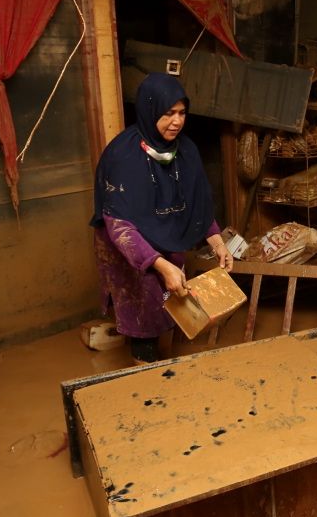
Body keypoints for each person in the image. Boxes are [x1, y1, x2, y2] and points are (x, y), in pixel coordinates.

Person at [91, 73, 232, 362]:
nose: (177, 121)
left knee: (169, 304)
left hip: (167, 235)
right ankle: (145, 374)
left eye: (181, 113)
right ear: (150, 110)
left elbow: (196, 204)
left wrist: (217, 242)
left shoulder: (186, 151)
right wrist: (158, 264)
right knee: (144, 316)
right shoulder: (123, 157)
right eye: (168, 113)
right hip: (130, 248)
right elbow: (119, 226)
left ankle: (162, 366)